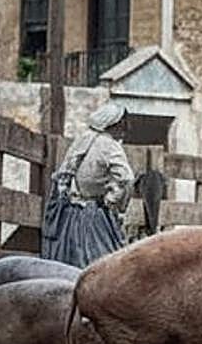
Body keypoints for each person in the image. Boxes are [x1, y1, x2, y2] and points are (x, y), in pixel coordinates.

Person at [41, 101, 134, 267]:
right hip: (95, 216)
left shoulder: (83, 140)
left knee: (70, 261)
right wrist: (113, 201)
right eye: (124, 123)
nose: (127, 128)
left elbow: (64, 175)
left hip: (71, 215)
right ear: (114, 123)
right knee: (102, 261)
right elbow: (126, 179)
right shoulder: (109, 146)